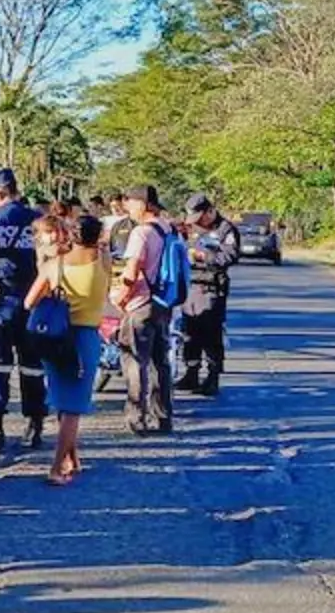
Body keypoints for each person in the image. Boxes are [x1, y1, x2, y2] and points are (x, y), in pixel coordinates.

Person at [24, 215, 110, 486]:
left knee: (63, 396)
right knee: (73, 406)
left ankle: (72, 457)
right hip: (85, 336)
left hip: (55, 336)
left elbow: (29, 302)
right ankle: (57, 466)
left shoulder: (54, 265)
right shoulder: (102, 262)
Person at [0, 168, 47, 453]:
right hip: (35, 300)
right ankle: (34, 428)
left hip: (0, 303)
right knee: (33, 366)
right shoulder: (37, 218)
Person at [112, 185, 174, 435]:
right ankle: (163, 416)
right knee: (161, 361)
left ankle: (136, 416)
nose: (128, 207)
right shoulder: (167, 228)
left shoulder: (141, 233)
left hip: (140, 304)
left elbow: (132, 269)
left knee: (135, 360)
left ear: (143, 204)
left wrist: (121, 297)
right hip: (162, 302)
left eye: (131, 202)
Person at [177, 194, 240, 397]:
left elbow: (230, 256)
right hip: (190, 286)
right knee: (189, 332)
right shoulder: (190, 228)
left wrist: (205, 256)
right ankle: (191, 373)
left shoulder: (225, 229)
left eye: (200, 218)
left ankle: (213, 376)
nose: (198, 223)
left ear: (210, 211)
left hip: (211, 288)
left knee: (211, 333)